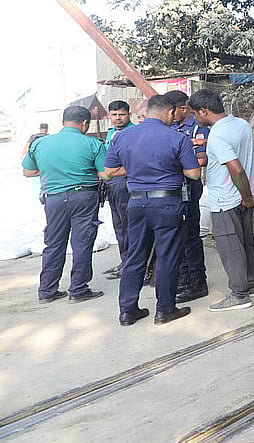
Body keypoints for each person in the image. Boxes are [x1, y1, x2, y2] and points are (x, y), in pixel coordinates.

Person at [104, 94, 200, 326]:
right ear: (170, 112)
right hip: (167, 203)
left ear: (147, 112)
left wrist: (137, 167)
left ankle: (127, 311)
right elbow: (194, 173)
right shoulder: (177, 138)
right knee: (167, 256)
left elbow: (109, 171)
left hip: (136, 203)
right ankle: (165, 310)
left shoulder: (121, 136)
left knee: (135, 256)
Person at [21, 105, 108, 303]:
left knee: (53, 243)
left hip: (53, 199)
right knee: (82, 243)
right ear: (85, 124)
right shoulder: (93, 143)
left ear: (62, 122)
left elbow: (28, 171)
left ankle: (47, 291)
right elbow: (106, 174)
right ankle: (78, 290)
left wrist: (53, 171)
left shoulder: (40, 143)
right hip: (84, 198)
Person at [188, 89, 254, 311]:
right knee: (246, 242)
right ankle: (252, 283)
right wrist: (248, 197)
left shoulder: (218, 135)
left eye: (195, 113)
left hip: (227, 199)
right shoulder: (241, 124)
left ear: (204, 111)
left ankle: (239, 295)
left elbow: (236, 169)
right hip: (245, 196)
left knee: (231, 247)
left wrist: (246, 197)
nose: (194, 118)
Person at [164, 90, 209, 302]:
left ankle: (198, 281)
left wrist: (174, 166)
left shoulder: (199, 128)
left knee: (190, 235)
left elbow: (202, 160)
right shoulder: (169, 127)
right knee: (176, 235)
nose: (170, 115)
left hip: (189, 186)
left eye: (172, 111)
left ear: (183, 108)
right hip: (173, 187)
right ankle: (182, 278)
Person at [103, 101, 132, 279]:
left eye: (121, 114)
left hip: (125, 181)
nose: (118, 118)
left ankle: (132, 265)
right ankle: (125, 260)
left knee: (128, 225)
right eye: (114, 115)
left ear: (129, 115)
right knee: (119, 224)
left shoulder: (134, 132)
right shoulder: (111, 133)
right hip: (112, 183)